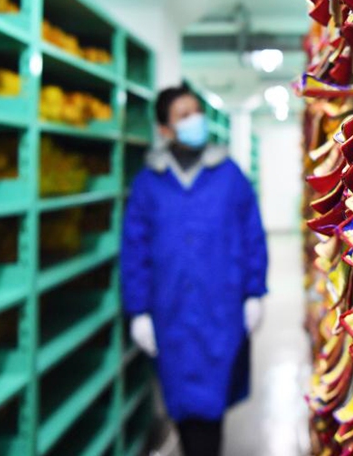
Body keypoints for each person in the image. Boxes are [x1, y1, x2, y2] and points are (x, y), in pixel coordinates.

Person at [121, 85, 268, 456]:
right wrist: (138, 311)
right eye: (183, 115)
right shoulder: (149, 183)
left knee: (212, 401)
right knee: (183, 401)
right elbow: (134, 250)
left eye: (196, 112)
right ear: (165, 130)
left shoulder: (228, 174)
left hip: (221, 308)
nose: (194, 121)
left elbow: (252, 234)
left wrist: (254, 292)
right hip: (170, 311)